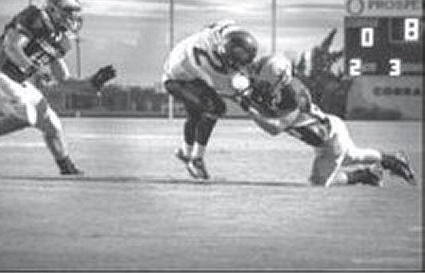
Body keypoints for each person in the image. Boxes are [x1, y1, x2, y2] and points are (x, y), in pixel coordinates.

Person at [0, 0, 116, 175]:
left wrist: (92, 83)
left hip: (18, 81)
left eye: (74, 11)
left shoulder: (60, 40)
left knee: (51, 123)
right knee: (28, 114)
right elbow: (12, 48)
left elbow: (63, 79)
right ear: (52, 9)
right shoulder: (34, 17)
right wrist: (34, 68)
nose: (73, 16)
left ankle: (67, 168)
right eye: (68, 11)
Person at [232, 54, 416, 186]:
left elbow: (275, 128)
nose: (261, 87)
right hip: (328, 128)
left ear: (281, 80)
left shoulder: (294, 96)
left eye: (266, 84)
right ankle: (389, 161)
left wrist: (248, 107)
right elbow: (255, 87)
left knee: (317, 186)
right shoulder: (274, 84)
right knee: (353, 156)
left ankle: (362, 175)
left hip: (329, 141)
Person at [163, 20, 258, 180]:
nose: (242, 61)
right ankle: (196, 159)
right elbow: (224, 88)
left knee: (195, 114)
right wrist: (244, 98)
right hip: (176, 79)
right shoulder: (207, 61)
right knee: (215, 108)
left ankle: (186, 153)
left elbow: (222, 24)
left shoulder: (227, 32)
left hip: (189, 70)